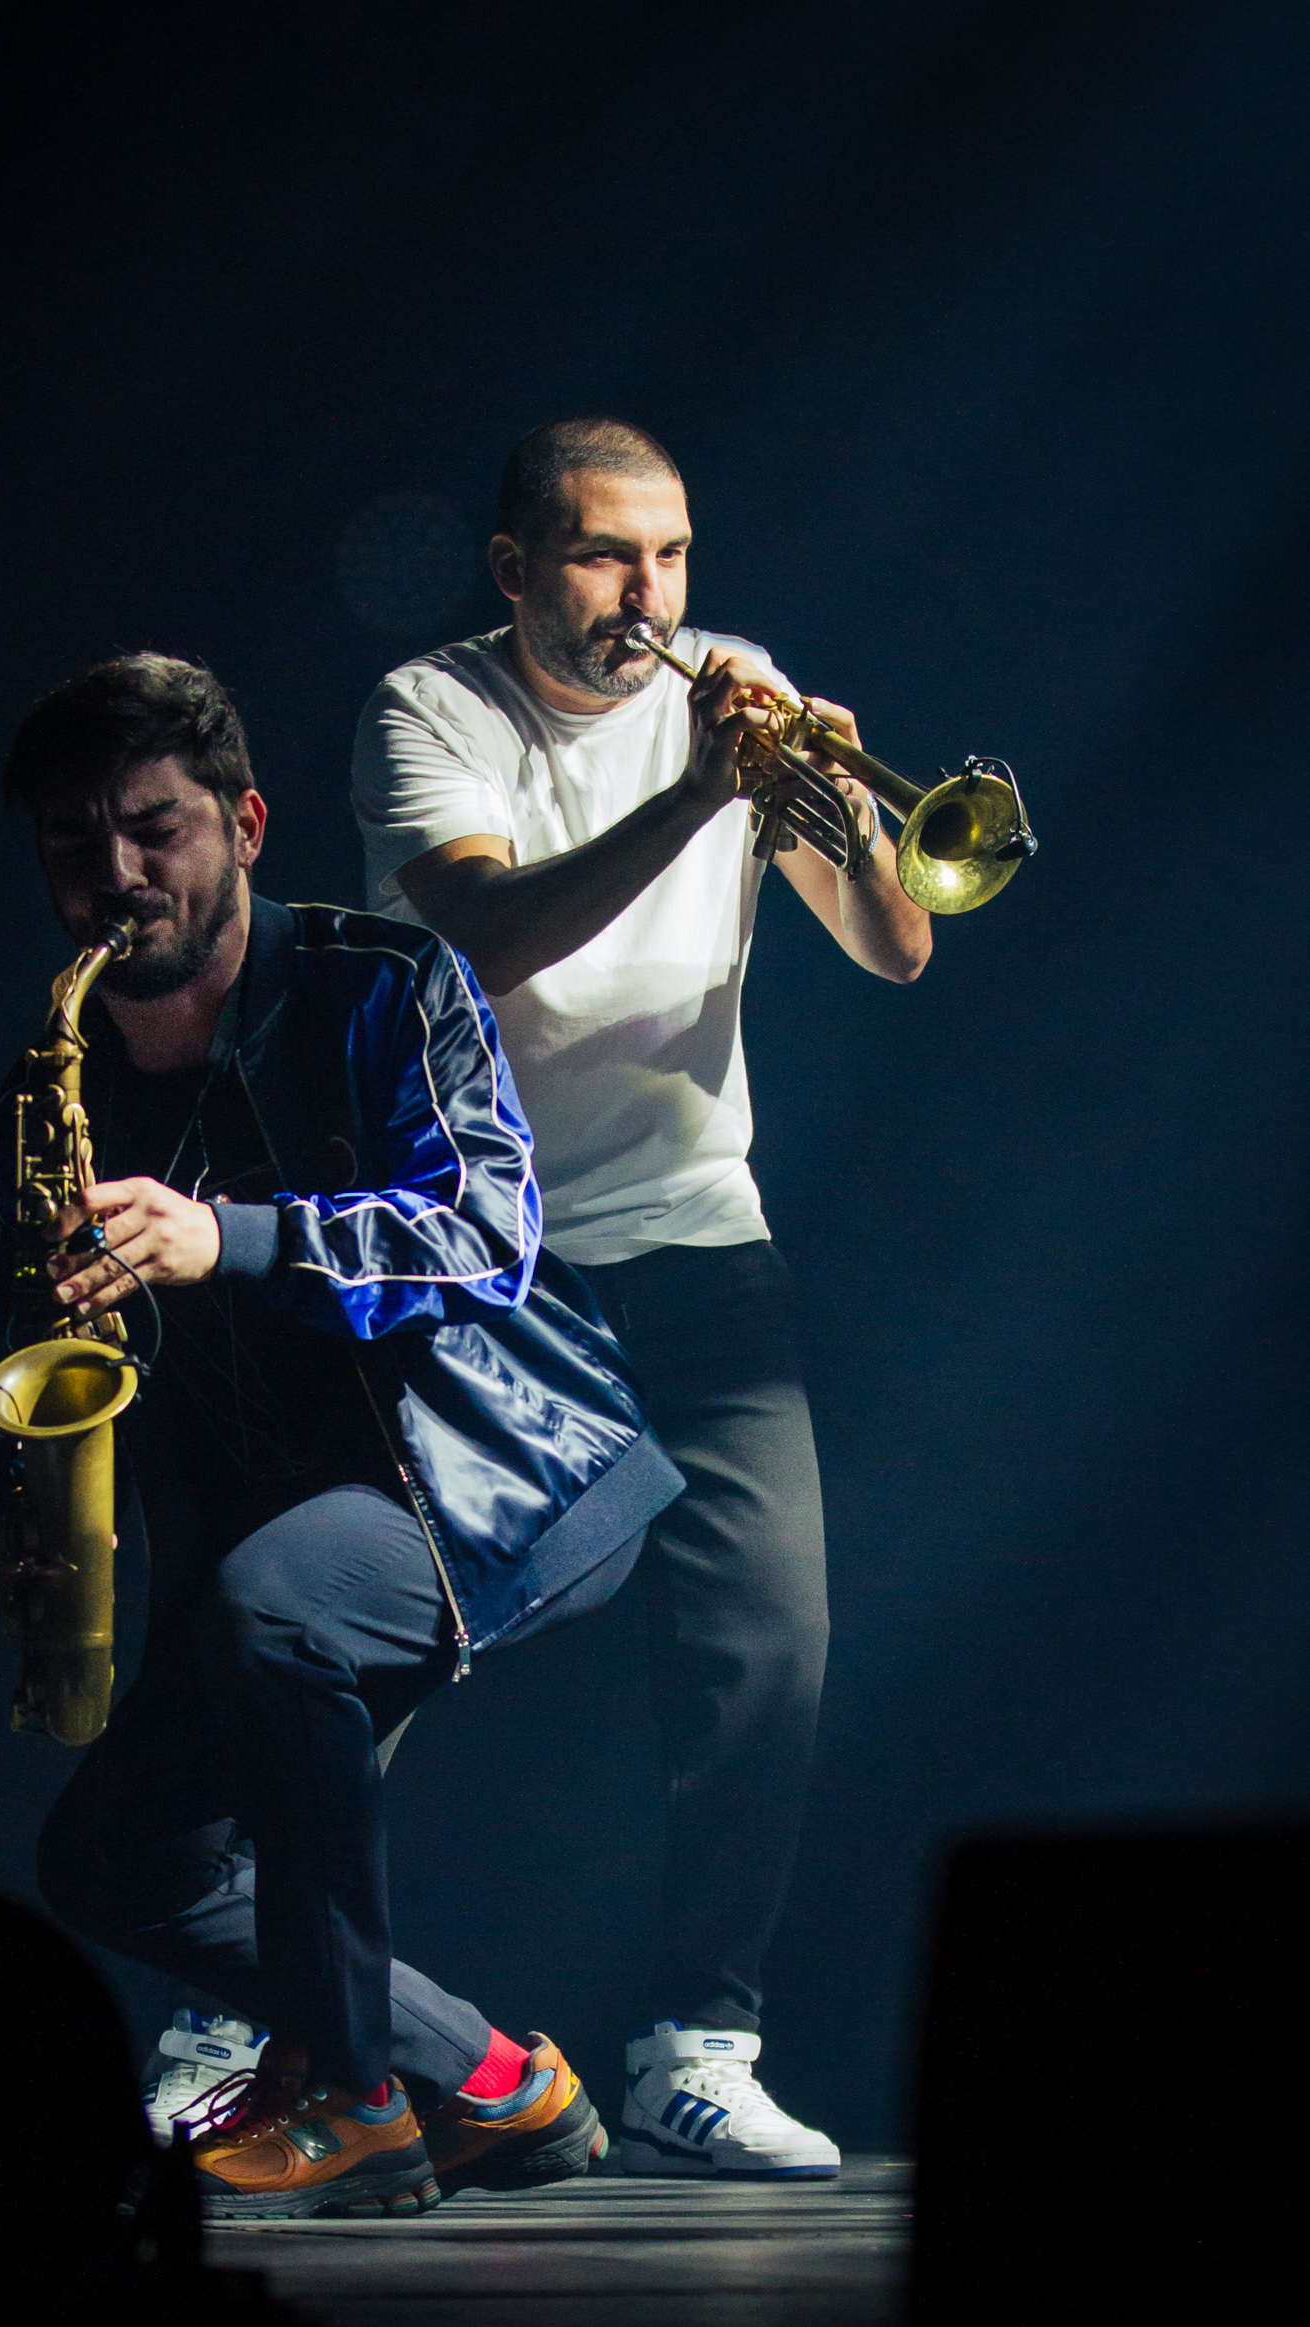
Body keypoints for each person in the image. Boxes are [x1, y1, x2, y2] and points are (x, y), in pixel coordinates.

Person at [0, 651, 683, 2220]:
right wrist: (28, 1505)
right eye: (74, 842)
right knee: (111, 1862)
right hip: (274, 1529)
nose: (116, 875)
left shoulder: (390, 982)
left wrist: (228, 1238)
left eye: (155, 828)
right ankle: (496, 2084)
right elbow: (49, 1349)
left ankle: (360, 2102)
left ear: (243, 825)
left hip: (510, 1476)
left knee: (281, 1608)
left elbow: (487, 1237)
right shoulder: (54, 1085)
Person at [353, 418, 933, 2179]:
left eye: (671, 555)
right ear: (516, 567)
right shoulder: (431, 711)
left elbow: (897, 948)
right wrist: (695, 800)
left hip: (694, 1231)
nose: (648, 596)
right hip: (487, 1248)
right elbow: (480, 935)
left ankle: (701, 2046)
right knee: (368, 1644)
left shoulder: (738, 689)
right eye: (607, 555)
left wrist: (839, 815)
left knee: (769, 1646)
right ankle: (262, 2000)